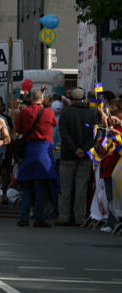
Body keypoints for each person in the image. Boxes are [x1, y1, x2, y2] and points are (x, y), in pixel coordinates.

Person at [56, 87, 104, 226]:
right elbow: (95, 136)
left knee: (66, 188)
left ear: (72, 99)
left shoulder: (66, 113)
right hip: (84, 157)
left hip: (67, 155)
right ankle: (79, 217)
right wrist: (83, 150)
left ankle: (64, 216)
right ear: (83, 98)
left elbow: (63, 133)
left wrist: (75, 148)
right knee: (81, 188)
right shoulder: (92, 114)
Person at [14, 89, 58, 228]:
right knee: (42, 186)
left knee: (27, 185)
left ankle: (24, 217)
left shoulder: (24, 112)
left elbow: (19, 129)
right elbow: (54, 124)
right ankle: (39, 218)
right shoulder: (49, 112)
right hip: (44, 150)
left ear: (30, 99)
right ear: (42, 98)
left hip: (29, 150)